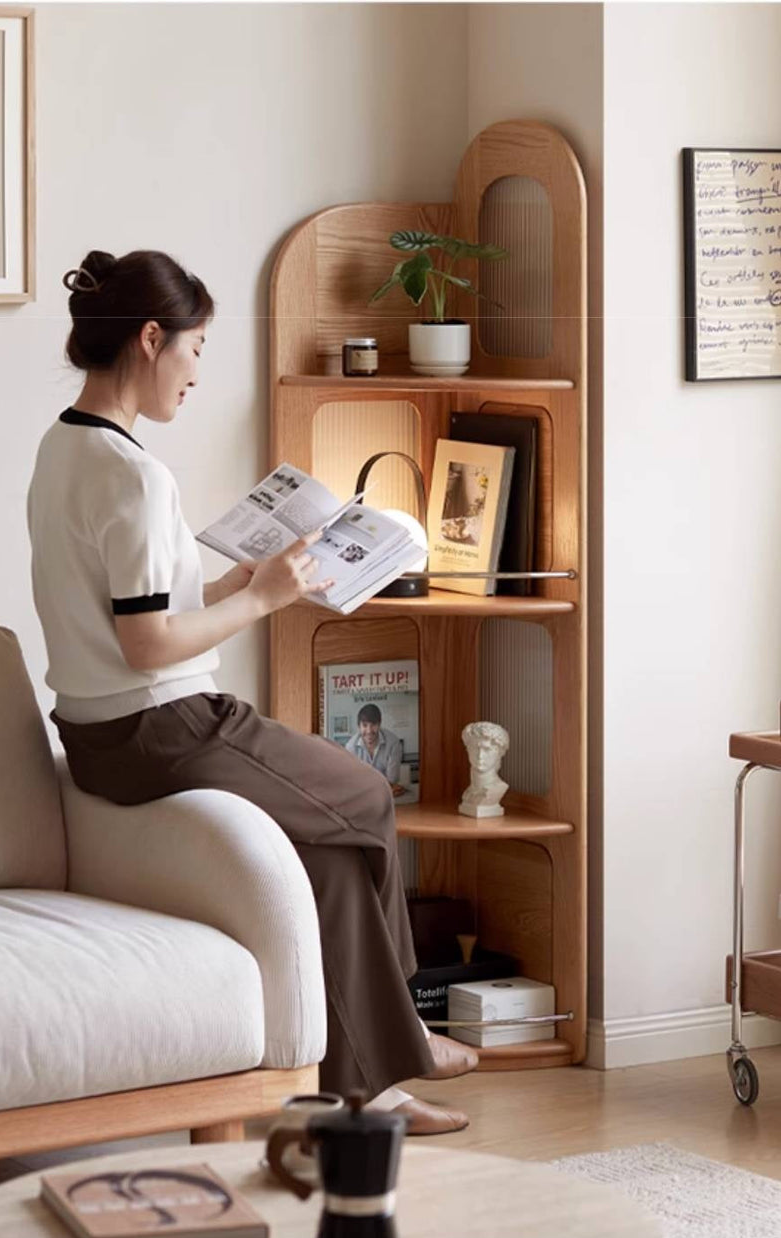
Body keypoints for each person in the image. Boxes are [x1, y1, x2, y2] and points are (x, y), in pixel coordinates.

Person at [27, 249, 475, 1135]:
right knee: (368, 795)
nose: (198, 372)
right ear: (151, 340)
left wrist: (245, 582)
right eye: (194, 348)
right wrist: (267, 597)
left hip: (100, 734)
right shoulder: (135, 477)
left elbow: (133, 613)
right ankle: (409, 1029)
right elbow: (148, 641)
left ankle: (368, 1092)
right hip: (167, 726)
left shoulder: (63, 448)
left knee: (335, 857)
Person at [345, 703, 407, 797]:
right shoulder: (350, 747)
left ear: (379, 724)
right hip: (361, 797)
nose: (369, 731)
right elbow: (352, 781)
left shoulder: (393, 743)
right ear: (359, 726)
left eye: (373, 724)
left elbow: (392, 780)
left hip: (386, 797)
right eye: (365, 725)